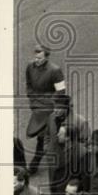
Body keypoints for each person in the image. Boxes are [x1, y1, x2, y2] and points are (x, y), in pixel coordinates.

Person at [24, 44, 65, 176]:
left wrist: (47, 103)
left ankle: (35, 165)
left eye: (40, 58)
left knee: (49, 137)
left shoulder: (55, 70)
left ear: (47, 57)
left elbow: (61, 92)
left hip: (50, 109)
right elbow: (29, 85)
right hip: (37, 108)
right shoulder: (30, 66)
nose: (37, 61)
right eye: (36, 58)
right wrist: (32, 99)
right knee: (44, 137)